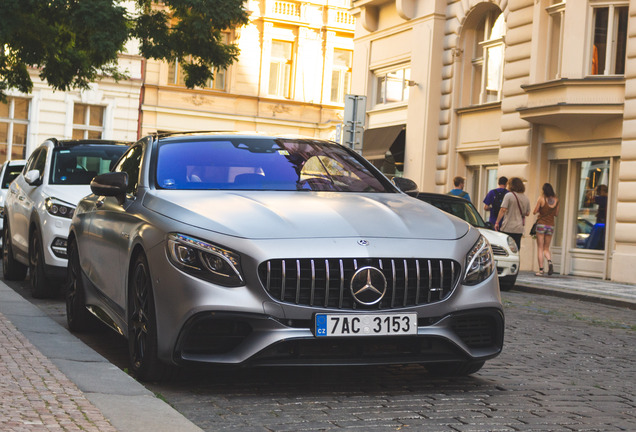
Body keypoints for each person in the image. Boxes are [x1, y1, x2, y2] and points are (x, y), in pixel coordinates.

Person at [494, 177, 530, 250]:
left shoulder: (509, 195)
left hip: (508, 227)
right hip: (519, 228)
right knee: (516, 249)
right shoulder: (526, 198)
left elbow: (503, 209)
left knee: (506, 248)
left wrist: (497, 222)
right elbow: (527, 213)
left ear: (511, 185)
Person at [532, 183, 559, 276]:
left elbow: (534, 211)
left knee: (540, 247)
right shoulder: (556, 200)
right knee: (546, 248)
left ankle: (541, 270)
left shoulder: (541, 198)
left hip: (541, 225)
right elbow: (556, 214)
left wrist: (541, 209)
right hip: (550, 226)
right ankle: (549, 261)